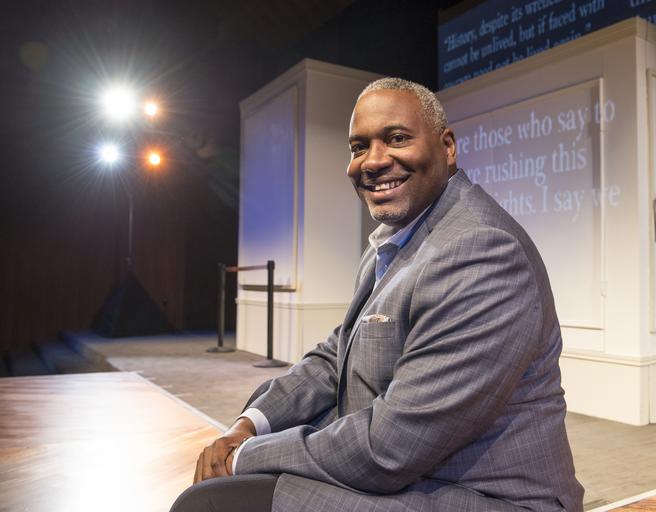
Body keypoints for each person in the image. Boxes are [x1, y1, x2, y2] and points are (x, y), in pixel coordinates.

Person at [171, 78, 584, 512]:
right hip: (417, 478)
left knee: (211, 504)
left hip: (488, 499)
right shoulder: (392, 239)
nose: (373, 161)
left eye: (397, 138)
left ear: (447, 147)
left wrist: (243, 457)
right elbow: (335, 357)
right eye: (358, 147)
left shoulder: (481, 250)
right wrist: (250, 425)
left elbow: (392, 447)